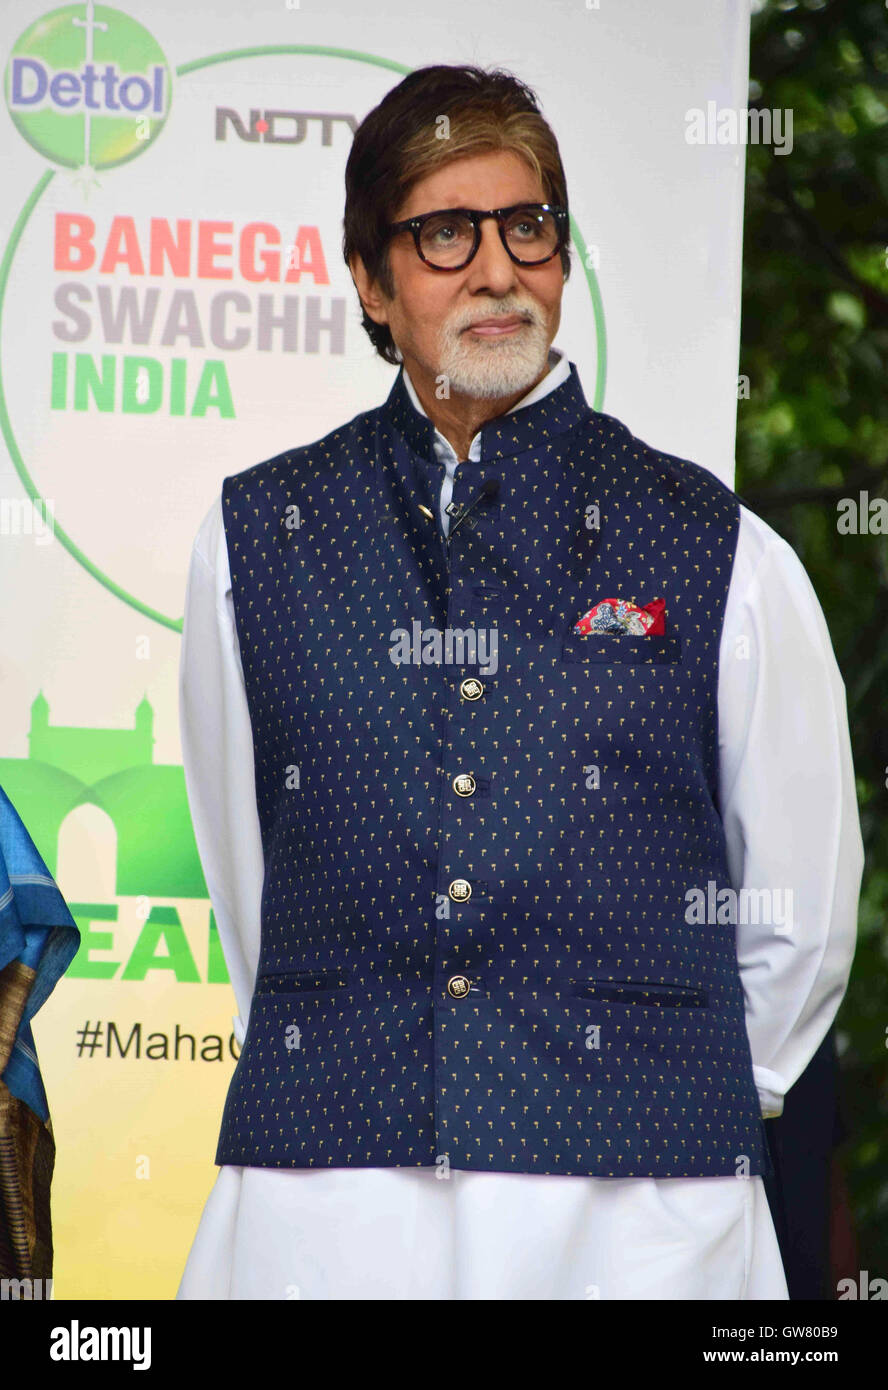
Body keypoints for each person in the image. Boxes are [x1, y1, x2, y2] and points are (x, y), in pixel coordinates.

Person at [176, 64, 862, 1300]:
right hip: (327, 1204)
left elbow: (800, 913)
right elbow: (250, 884)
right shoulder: (255, 539)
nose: (497, 269)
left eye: (526, 226)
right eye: (445, 232)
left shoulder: (723, 551)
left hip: (644, 1223)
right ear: (372, 286)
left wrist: (673, 1092)